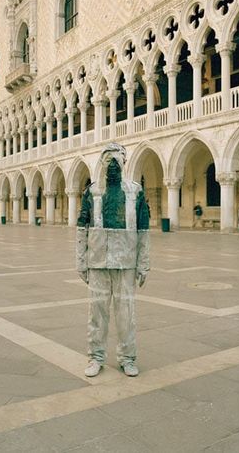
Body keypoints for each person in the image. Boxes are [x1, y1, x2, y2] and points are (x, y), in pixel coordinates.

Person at [76, 143, 150, 377]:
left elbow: (143, 231)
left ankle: (127, 358)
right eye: (108, 162)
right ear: (102, 164)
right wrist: (81, 262)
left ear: (124, 163)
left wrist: (143, 264)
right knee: (97, 314)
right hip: (98, 262)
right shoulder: (92, 191)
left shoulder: (135, 192)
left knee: (126, 314)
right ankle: (95, 356)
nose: (113, 167)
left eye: (116, 162)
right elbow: (82, 228)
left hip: (125, 262)